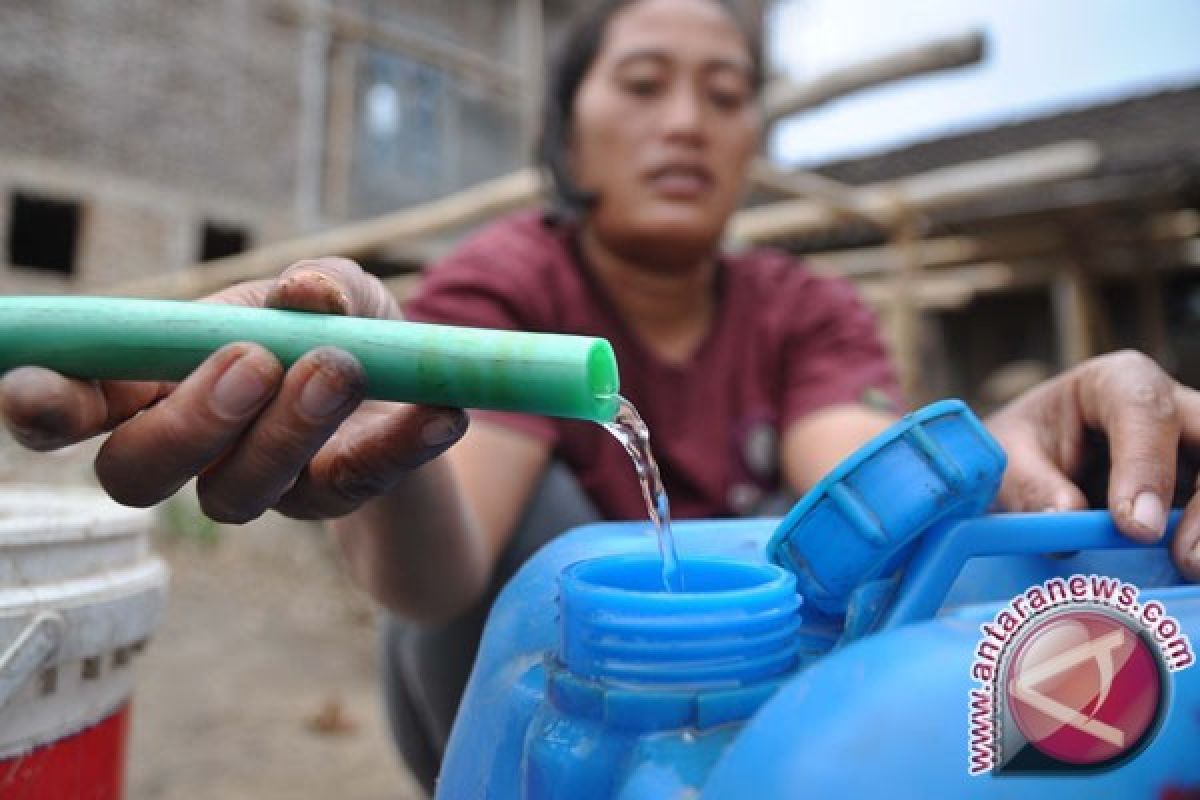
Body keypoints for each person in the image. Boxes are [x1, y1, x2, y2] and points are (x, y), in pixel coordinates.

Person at [1, 0, 1198, 792]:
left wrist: (995, 454)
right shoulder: (513, 275)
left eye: (727, 94)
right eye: (643, 83)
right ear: (567, 131)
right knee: (554, 546)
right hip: (531, 706)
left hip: (751, 721)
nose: (687, 120)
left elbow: (863, 473)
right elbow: (443, 575)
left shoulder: (800, 306)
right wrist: (380, 425)